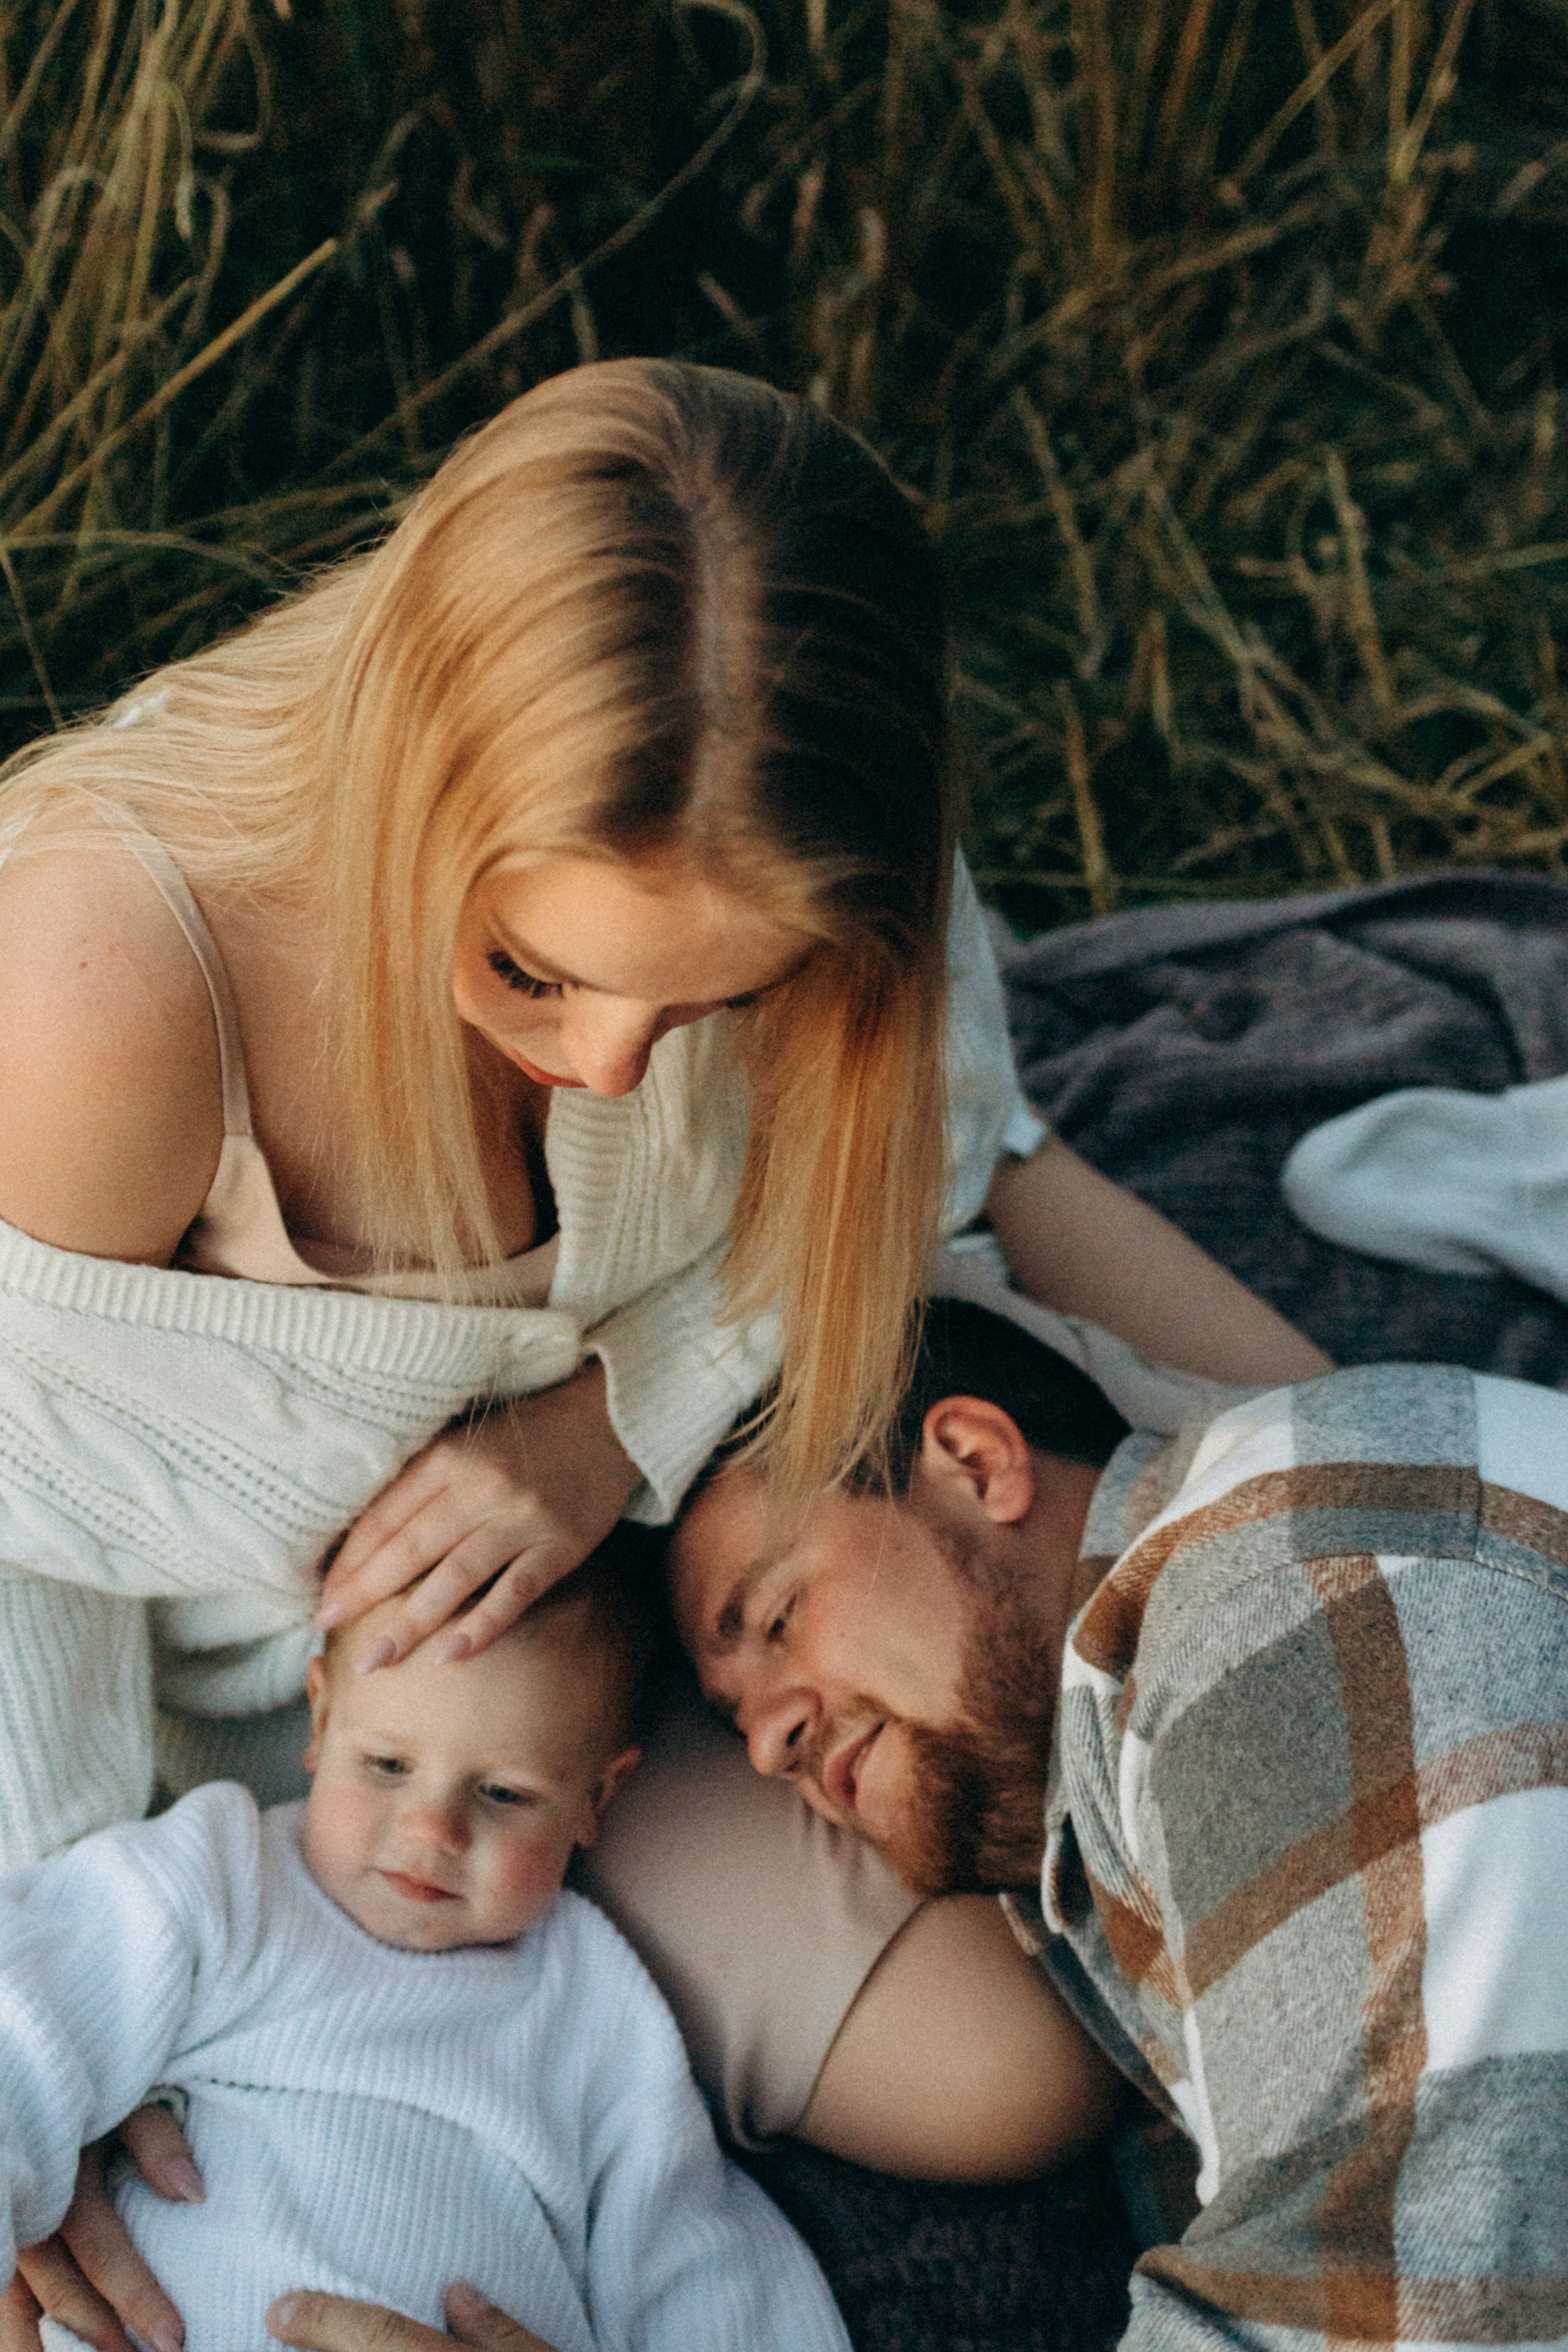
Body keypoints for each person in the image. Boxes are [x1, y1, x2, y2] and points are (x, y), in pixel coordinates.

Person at [0, 350, 1332, 2236]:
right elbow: (16, 1520)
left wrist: (607, 1424)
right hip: (372, 1704)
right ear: (409, 789)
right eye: (534, 972)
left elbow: (879, 1176)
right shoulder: (101, 993)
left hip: (711, 1483)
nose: (617, 1069)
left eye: (715, 1002)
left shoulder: (781, 780)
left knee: (1351, 1524)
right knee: (1009, 2073)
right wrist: (58, 1980)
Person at [662, 1298, 1568, 2352]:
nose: (767, 1746)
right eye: (735, 1721)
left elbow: (1392, 2314)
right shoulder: (1126, 1743)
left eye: (780, 1618)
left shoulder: (1275, 1606)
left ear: (976, 1463)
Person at [0, 1545, 852, 2352]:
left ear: (597, 1796)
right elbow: (26, 2027)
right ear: (322, 1717)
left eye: (504, 1793)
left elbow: (702, 2272)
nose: (433, 1830)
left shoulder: (597, 2004)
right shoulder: (222, 1877)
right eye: (387, 1765)